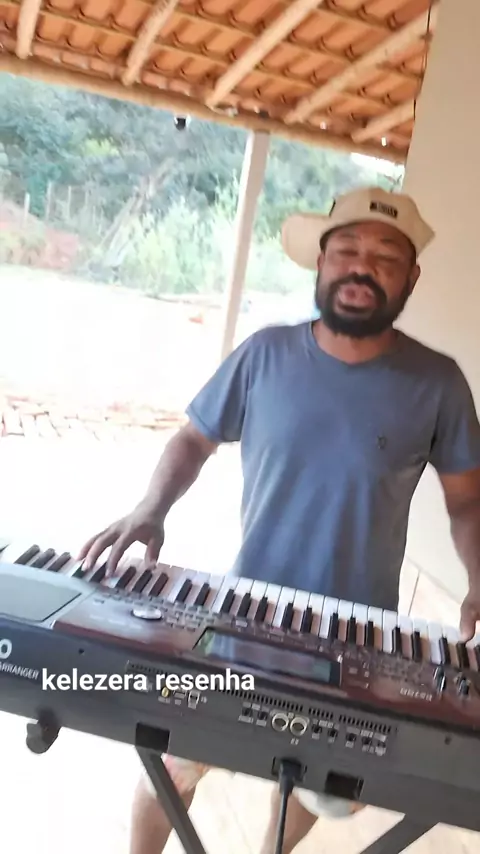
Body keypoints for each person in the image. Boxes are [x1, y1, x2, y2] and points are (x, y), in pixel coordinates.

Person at [79, 186, 480, 854]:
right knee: (168, 765)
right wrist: (151, 508)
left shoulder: (438, 384)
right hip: (243, 617)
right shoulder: (264, 355)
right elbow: (194, 438)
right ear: (321, 264)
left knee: (321, 787)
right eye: (346, 249)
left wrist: (477, 575)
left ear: (411, 278)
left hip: (358, 639)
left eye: (386, 257)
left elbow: (467, 501)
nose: (362, 266)